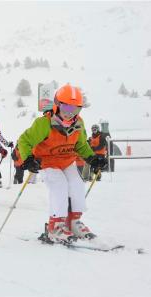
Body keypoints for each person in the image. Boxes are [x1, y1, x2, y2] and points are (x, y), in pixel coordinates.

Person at [18, 84, 107, 243]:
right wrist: (28, 159)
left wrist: (92, 159)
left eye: (75, 109)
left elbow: (80, 145)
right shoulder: (44, 123)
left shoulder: (78, 123)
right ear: (57, 104)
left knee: (77, 184)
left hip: (66, 162)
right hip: (47, 162)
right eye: (66, 107)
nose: (69, 113)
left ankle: (73, 222)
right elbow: (24, 140)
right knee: (59, 185)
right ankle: (56, 226)